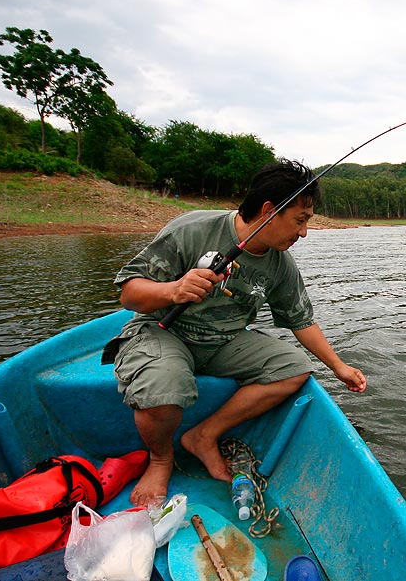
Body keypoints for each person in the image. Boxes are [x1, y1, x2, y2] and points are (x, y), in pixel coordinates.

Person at [103, 159, 368, 507]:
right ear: (270, 210)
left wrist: (338, 367)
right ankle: (160, 459)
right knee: (164, 385)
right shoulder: (193, 229)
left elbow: (300, 320)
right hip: (163, 331)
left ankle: (204, 435)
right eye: (300, 221)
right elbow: (129, 294)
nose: (303, 232)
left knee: (294, 367)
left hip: (223, 342)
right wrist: (174, 290)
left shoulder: (280, 264)